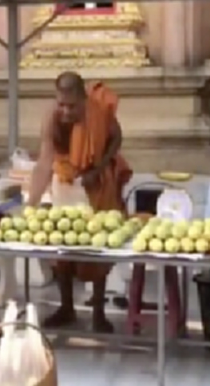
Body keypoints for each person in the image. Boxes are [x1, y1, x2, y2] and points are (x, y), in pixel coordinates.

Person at [27, 71, 132, 333]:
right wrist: (31, 203)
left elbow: (117, 137)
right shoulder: (51, 119)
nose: (65, 111)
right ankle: (66, 308)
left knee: (98, 248)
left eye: (71, 106)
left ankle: (98, 312)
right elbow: (44, 161)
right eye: (60, 104)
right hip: (65, 181)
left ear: (83, 99)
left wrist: (99, 168)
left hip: (97, 183)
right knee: (63, 246)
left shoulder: (98, 112)